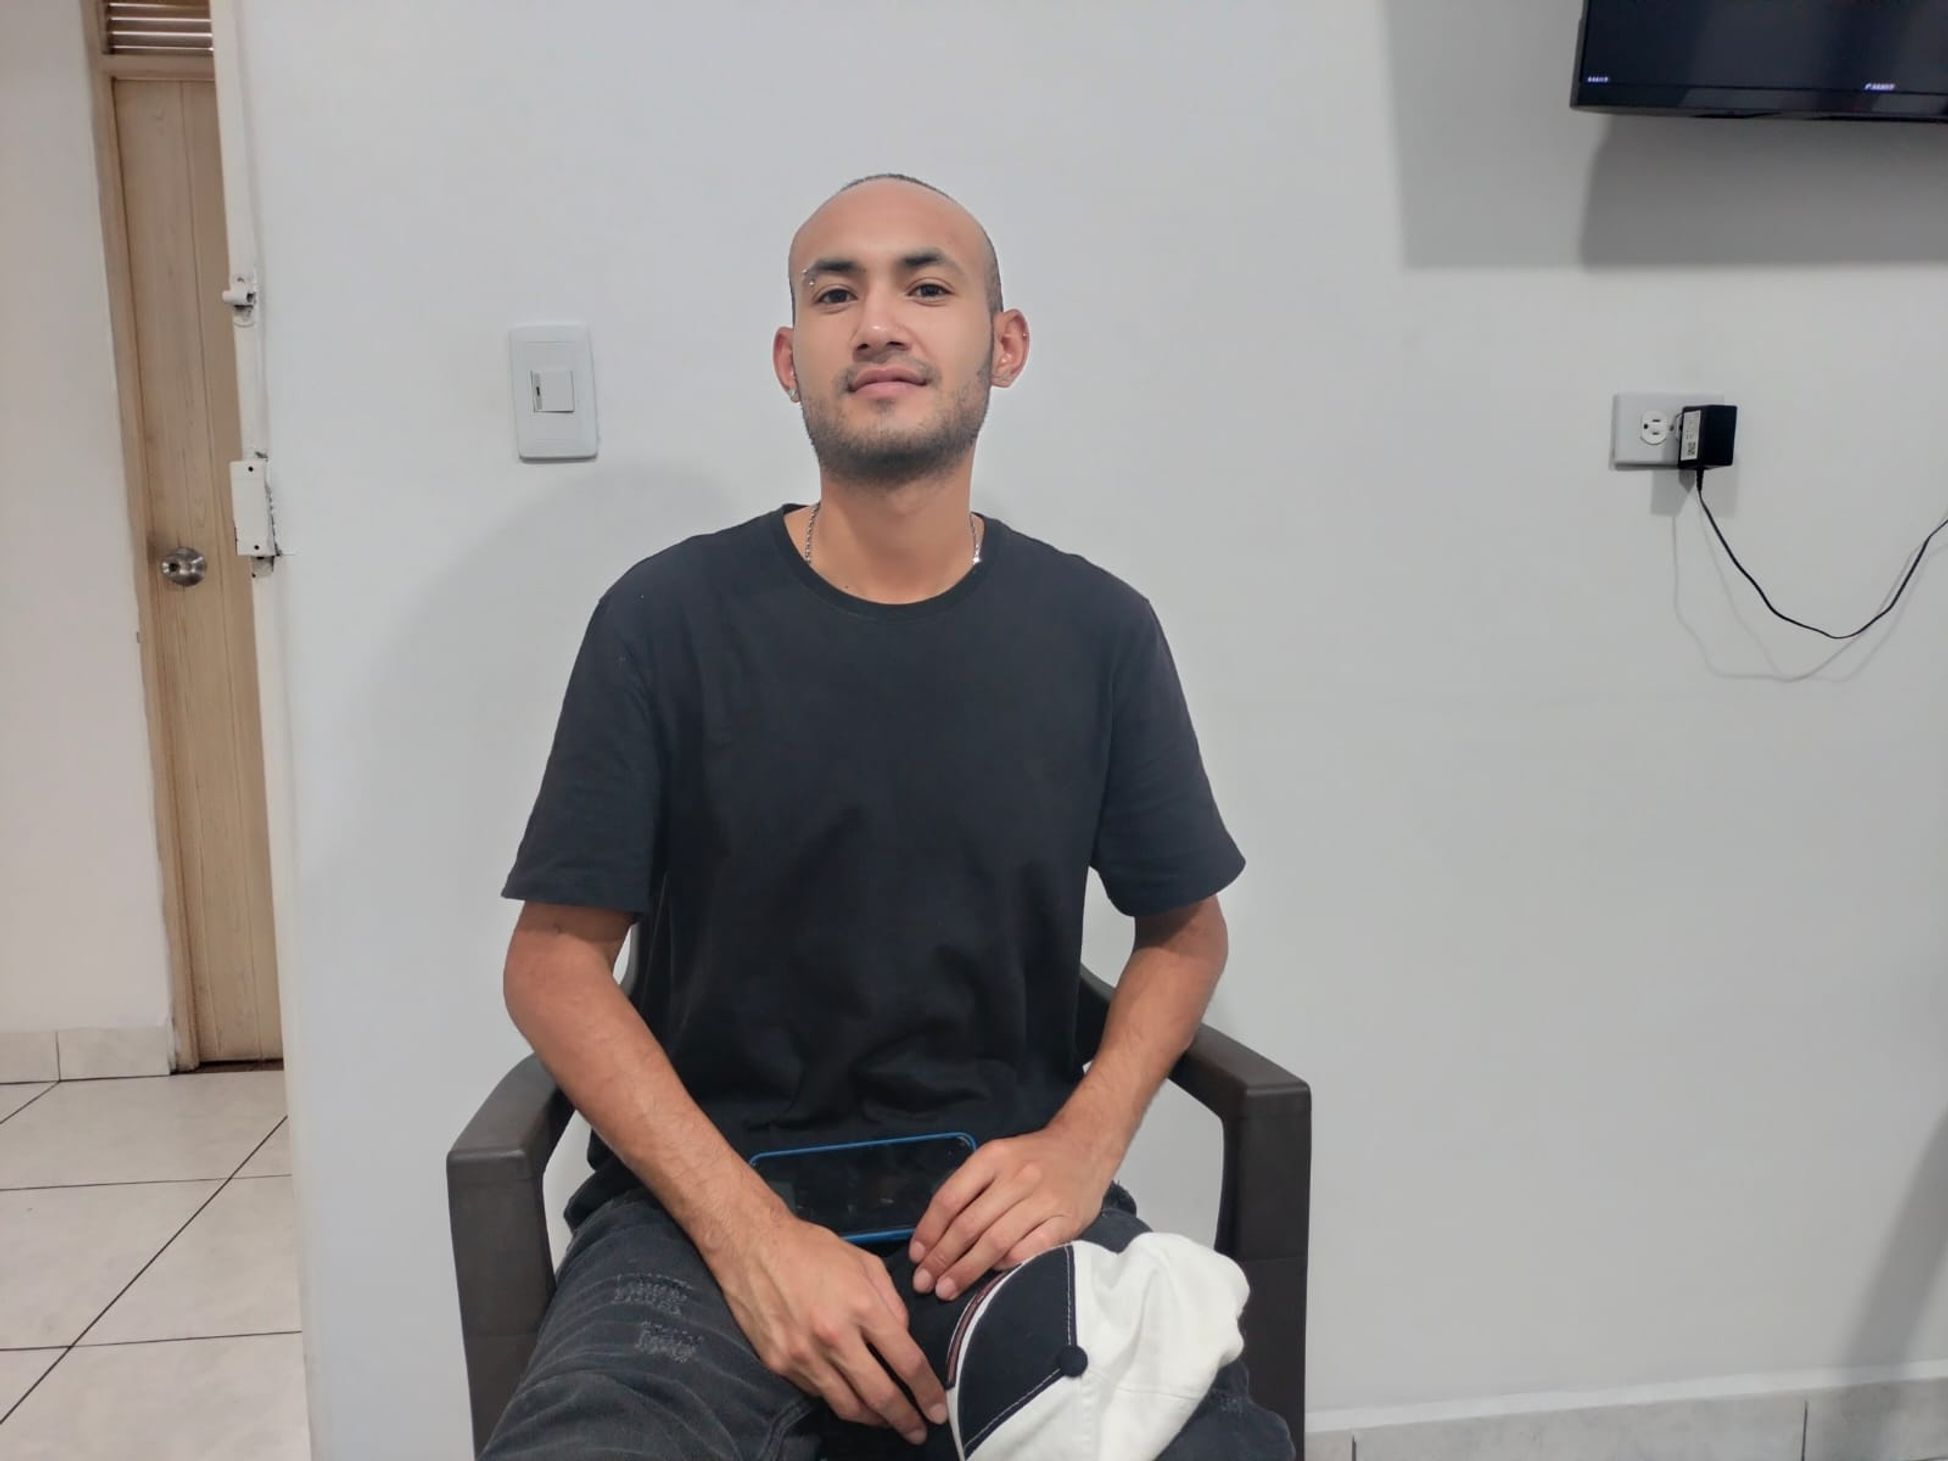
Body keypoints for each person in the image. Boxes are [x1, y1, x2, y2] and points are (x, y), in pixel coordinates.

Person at [484, 173, 1294, 1461]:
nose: (877, 323)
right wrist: (749, 1235)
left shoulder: (1095, 632)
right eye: (834, 293)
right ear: (788, 359)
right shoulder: (664, 621)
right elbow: (553, 962)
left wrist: (1083, 1144)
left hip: (1001, 1209)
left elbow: (1184, 930)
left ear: (1003, 344)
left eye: (926, 285)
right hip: (699, 1219)